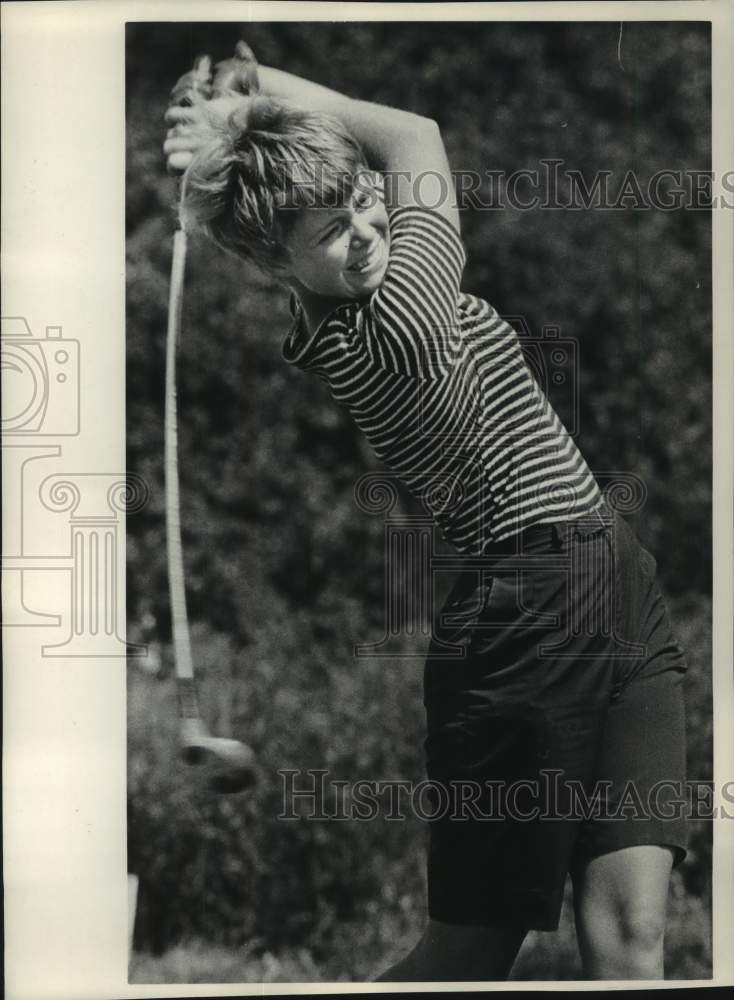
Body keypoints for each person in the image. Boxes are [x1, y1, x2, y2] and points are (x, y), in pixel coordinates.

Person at [163, 48, 689, 982]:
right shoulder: (402, 318)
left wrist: (245, 108)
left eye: (363, 202)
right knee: (471, 950)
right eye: (328, 230)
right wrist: (260, 87)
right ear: (269, 259)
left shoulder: (373, 285)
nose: (365, 231)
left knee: (635, 939)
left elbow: (381, 165)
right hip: (528, 614)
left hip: (616, 578)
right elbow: (415, 136)